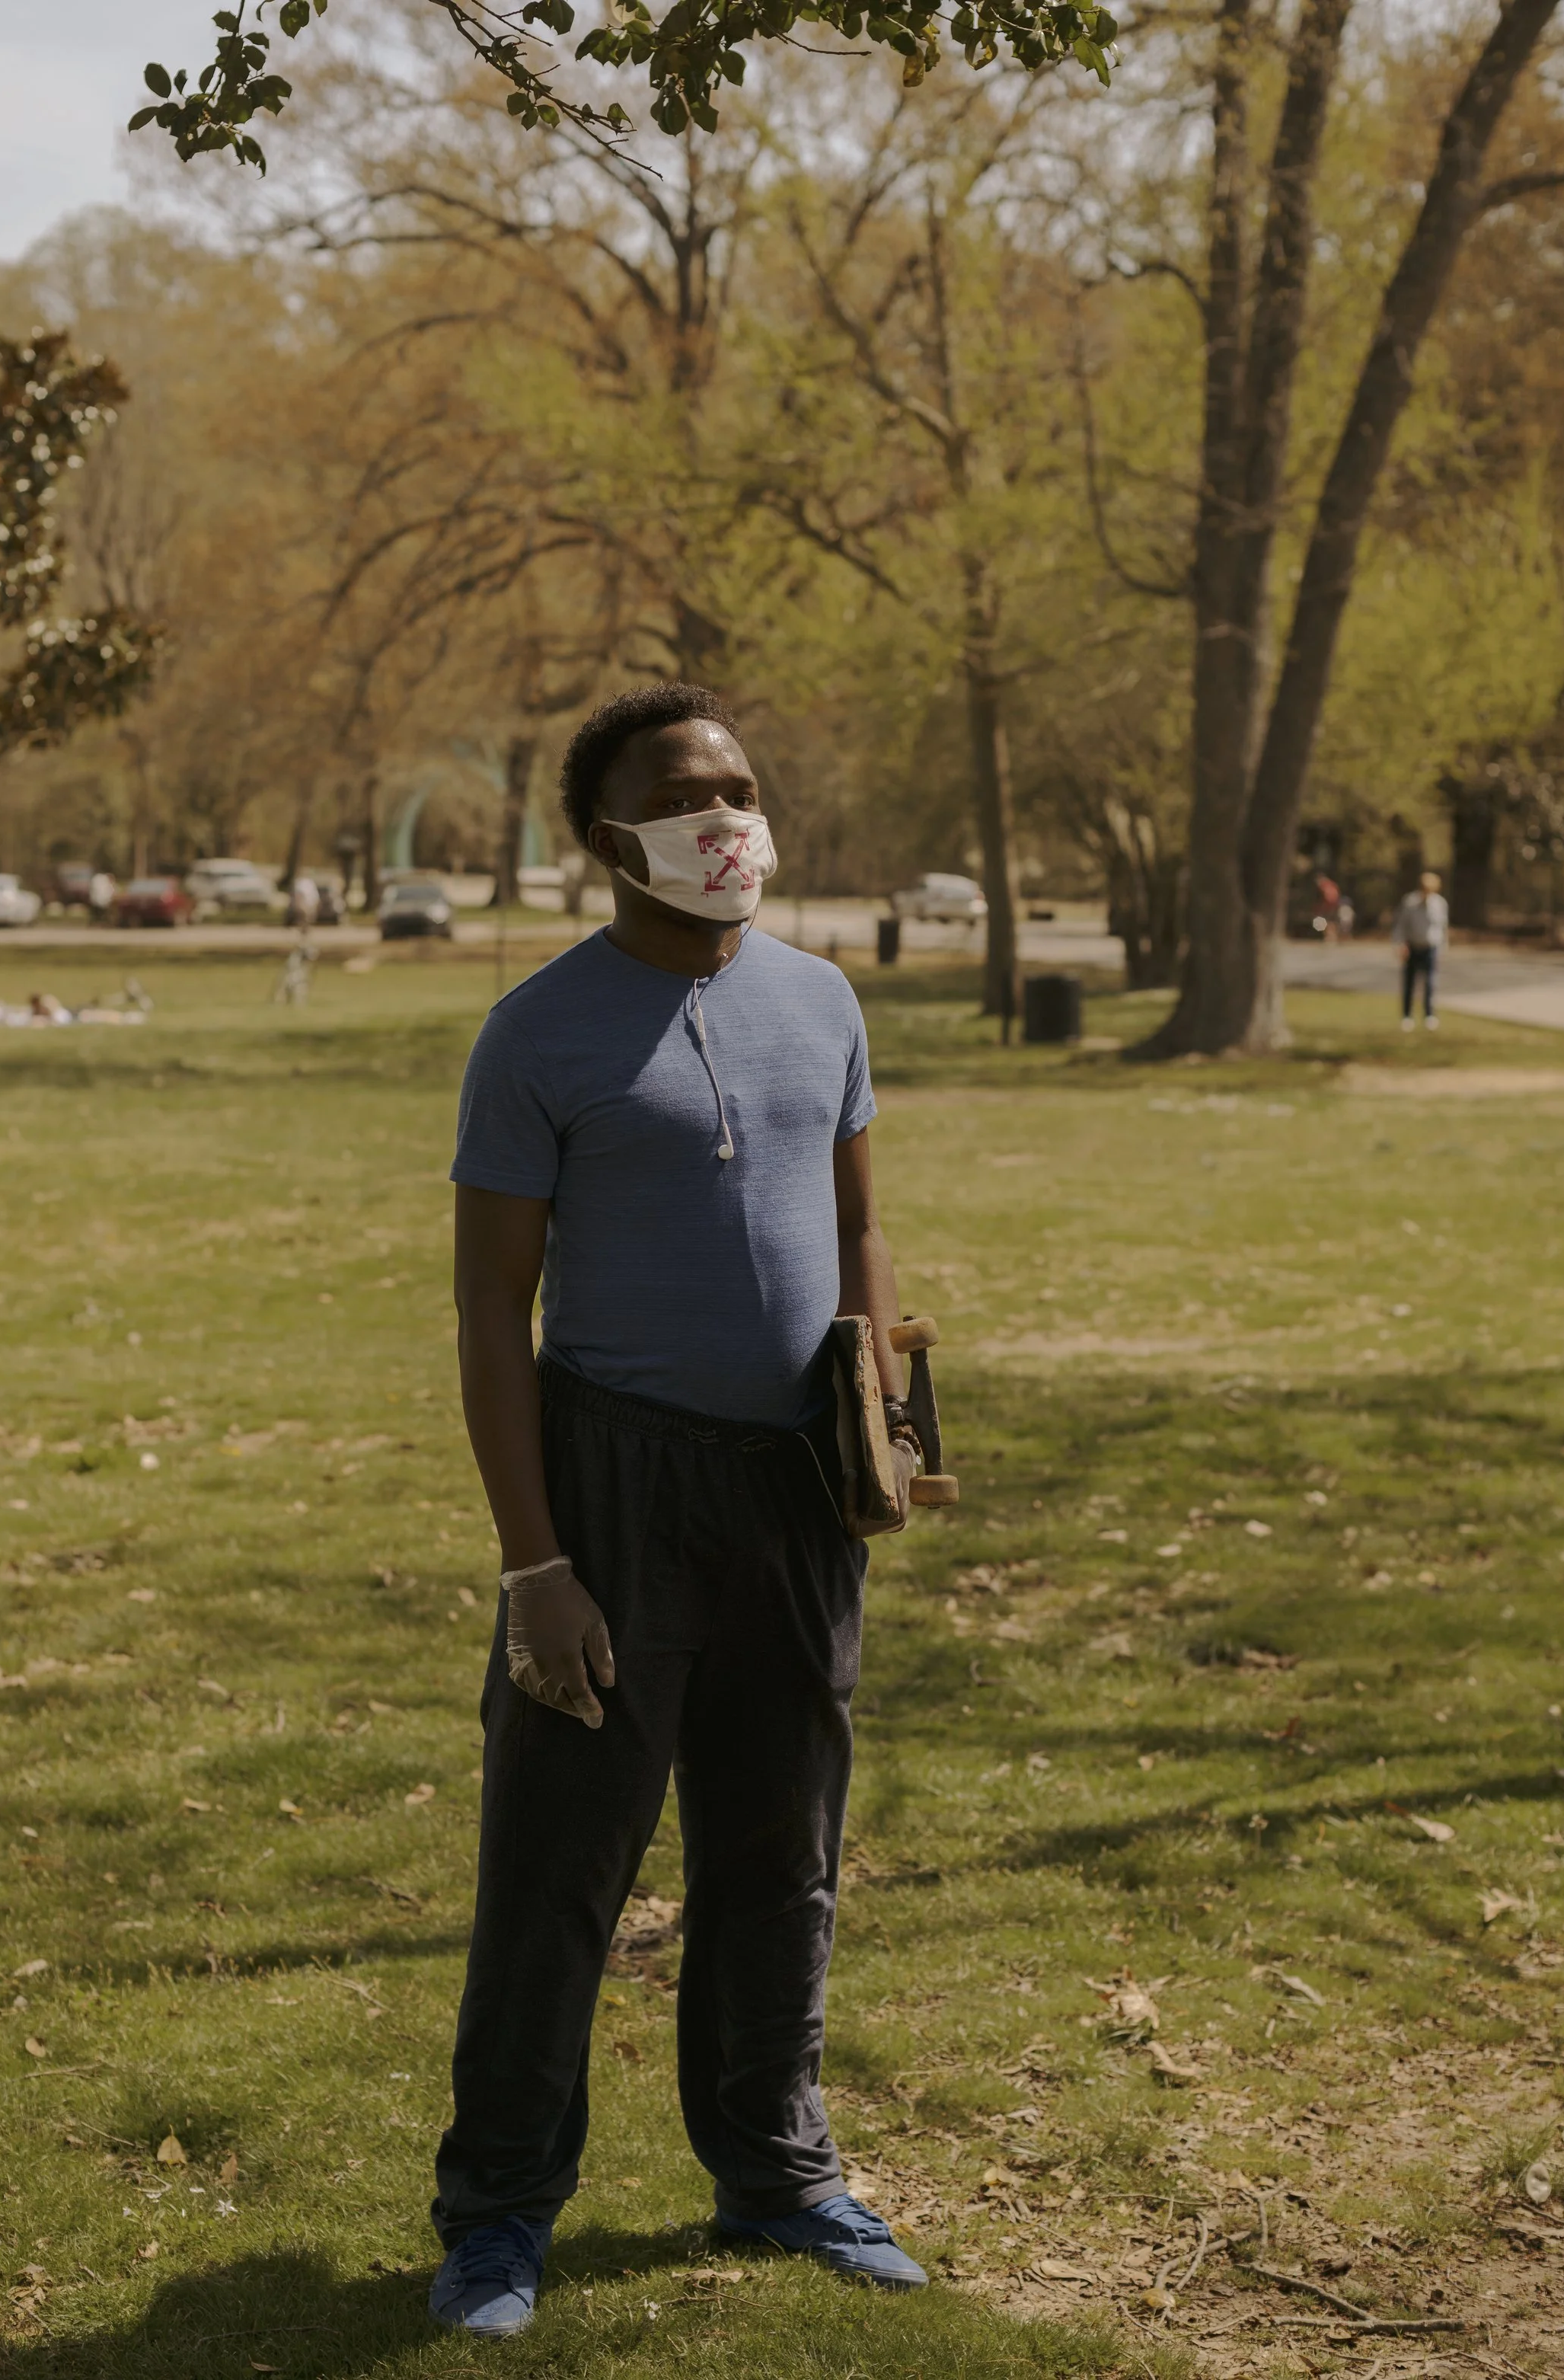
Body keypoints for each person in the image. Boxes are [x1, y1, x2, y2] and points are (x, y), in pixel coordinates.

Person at [429, 683, 927, 2337]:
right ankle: (498, 2214)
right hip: (611, 1483)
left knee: (781, 1851)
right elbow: (488, 1309)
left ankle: (775, 2172)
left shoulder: (823, 1000)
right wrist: (536, 1562)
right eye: (686, 796)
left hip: (792, 1484)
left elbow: (858, 1227)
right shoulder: (537, 1034)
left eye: (742, 787)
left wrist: (878, 1422)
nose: (728, 818)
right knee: (558, 1868)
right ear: (609, 840)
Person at [1392, 869, 1449, 1030]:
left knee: (1430, 983)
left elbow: (1443, 928)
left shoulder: (1439, 904)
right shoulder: (1410, 902)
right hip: (1413, 946)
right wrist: (1400, 944)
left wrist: (1443, 947)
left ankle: (1429, 1015)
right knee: (1410, 983)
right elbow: (1401, 925)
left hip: (1431, 947)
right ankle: (1407, 1015)